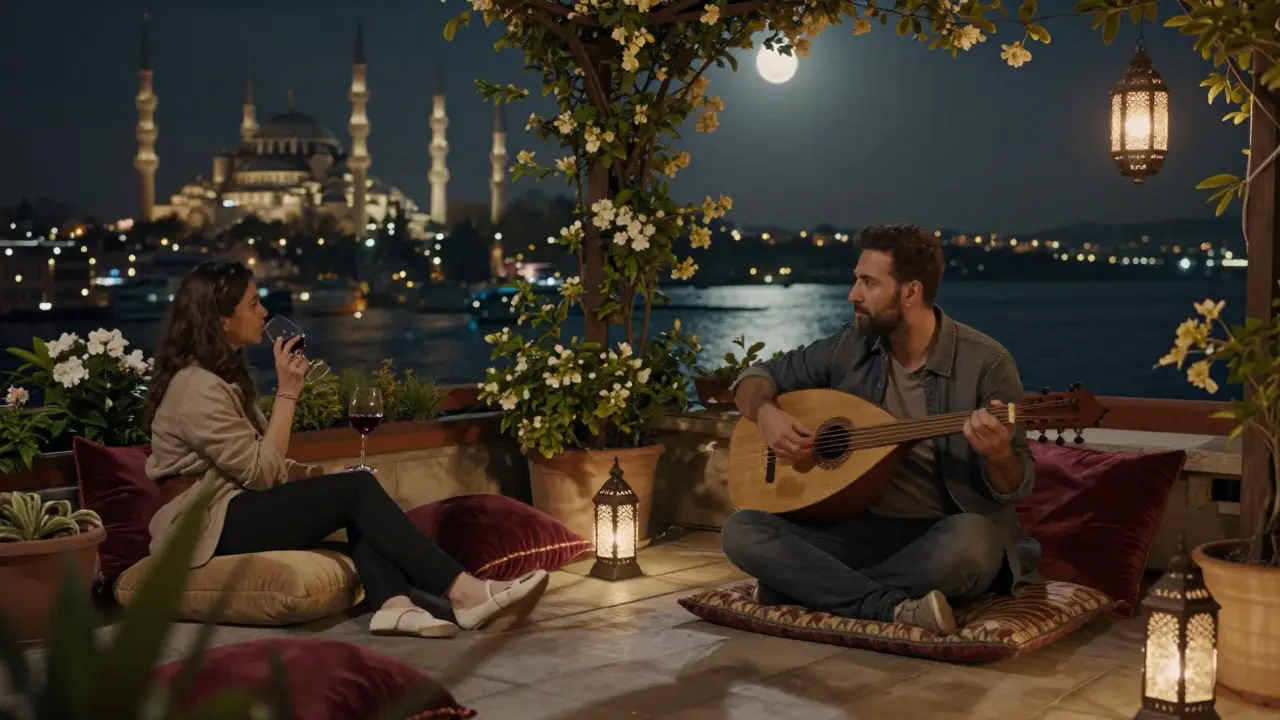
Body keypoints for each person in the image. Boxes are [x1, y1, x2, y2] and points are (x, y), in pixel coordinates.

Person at [144, 260, 549, 639]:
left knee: (356, 491)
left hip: (232, 508)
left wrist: (322, 476)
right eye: (253, 304)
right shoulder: (195, 386)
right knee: (356, 491)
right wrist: (288, 393)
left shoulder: (223, 380)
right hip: (202, 526)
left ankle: (393, 605)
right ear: (222, 320)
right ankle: (464, 593)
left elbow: (263, 464)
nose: (264, 312)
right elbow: (262, 474)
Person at [722, 224, 1040, 636]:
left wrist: (998, 455)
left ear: (910, 292)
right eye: (857, 279)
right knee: (741, 530)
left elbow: (1016, 486)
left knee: (974, 544)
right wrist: (766, 413)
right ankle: (891, 607)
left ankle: (808, 586)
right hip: (853, 530)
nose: (853, 294)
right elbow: (753, 377)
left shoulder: (987, 363)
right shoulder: (849, 347)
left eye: (868, 283)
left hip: (937, 534)